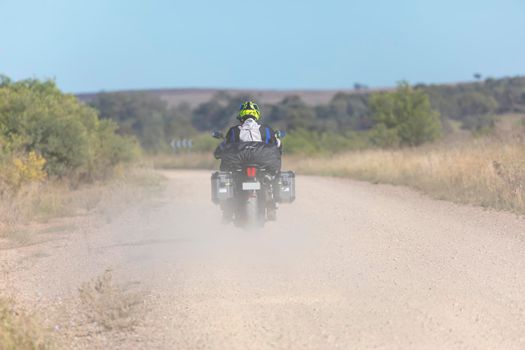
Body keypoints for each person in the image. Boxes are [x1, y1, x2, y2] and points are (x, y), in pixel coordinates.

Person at [215, 100, 281, 222]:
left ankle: (228, 211)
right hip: (262, 164)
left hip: (240, 165)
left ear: (241, 115)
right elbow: (277, 145)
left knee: (230, 181)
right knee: (270, 180)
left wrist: (218, 154)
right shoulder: (267, 130)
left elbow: (223, 148)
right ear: (257, 115)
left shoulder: (234, 131)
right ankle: (270, 203)